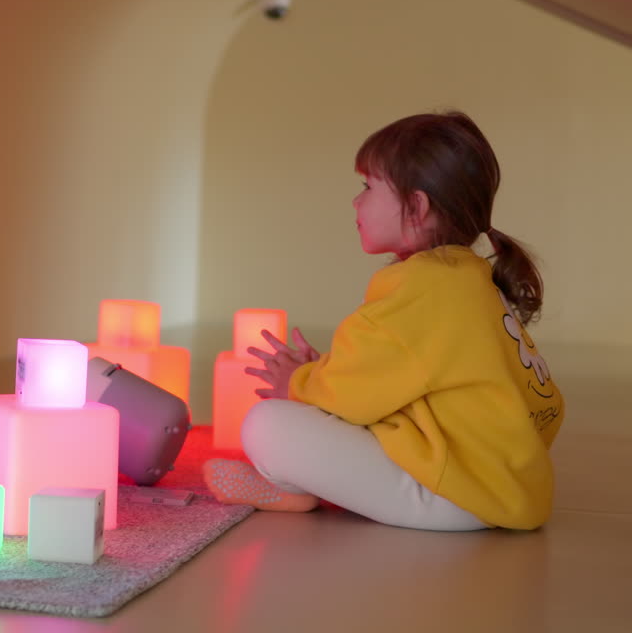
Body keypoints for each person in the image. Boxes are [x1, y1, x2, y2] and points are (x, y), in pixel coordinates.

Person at [204, 110, 564, 531]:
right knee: (324, 412)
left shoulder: (423, 287)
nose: (356, 202)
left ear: (417, 206)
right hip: (498, 484)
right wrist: (323, 374)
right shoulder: (466, 278)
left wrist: (297, 383)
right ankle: (305, 486)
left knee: (265, 424)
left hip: (456, 496)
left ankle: (291, 489)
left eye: (367, 187)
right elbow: (389, 381)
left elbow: (353, 398)